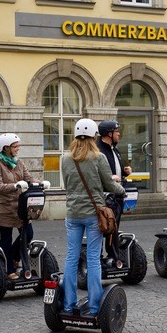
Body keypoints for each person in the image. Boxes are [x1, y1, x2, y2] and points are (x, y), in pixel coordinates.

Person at [61, 118, 125, 316]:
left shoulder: (65, 158)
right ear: (94, 136)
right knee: (93, 259)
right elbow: (109, 184)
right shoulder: (98, 157)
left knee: (71, 258)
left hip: (72, 214)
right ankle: (95, 306)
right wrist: (121, 188)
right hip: (93, 214)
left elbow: (68, 184)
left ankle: (68, 305)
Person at [0, 133, 36, 280]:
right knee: (6, 238)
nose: (18, 148)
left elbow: (28, 177)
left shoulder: (18, 162)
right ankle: (8, 269)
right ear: (6, 148)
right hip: (4, 207)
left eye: (18, 146)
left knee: (28, 233)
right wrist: (15, 185)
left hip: (20, 207)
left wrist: (39, 183)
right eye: (15, 146)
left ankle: (15, 258)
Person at [96, 120, 132, 267]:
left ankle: (113, 255)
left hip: (116, 194)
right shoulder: (99, 151)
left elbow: (116, 170)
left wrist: (124, 172)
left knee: (114, 226)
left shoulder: (114, 149)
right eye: (116, 131)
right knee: (103, 226)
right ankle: (97, 258)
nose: (119, 134)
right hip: (104, 196)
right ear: (109, 134)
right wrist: (111, 178)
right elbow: (97, 173)